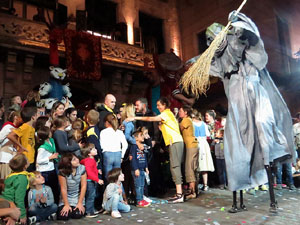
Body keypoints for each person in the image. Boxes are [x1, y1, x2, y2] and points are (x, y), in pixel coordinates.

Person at [127, 97, 185, 204]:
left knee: (175, 167)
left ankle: (179, 194)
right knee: (174, 167)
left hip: (175, 142)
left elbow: (150, 119)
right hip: (175, 142)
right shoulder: (168, 114)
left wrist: (134, 117)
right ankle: (179, 193)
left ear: (164, 105)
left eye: (159, 105)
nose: (157, 107)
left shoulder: (166, 114)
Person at [0, 154, 30, 225]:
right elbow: (19, 198)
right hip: (9, 204)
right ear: (25, 166)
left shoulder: (12, 174)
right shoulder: (22, 178)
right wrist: (22, 215)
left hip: (4, 201)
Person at [7, 107, 39, 172]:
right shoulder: (24, 127)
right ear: (33, 117)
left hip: (31, 157)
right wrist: (21, 146)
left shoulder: (31, 127)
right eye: (37, 114)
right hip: (26, 158)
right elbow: (10, 135)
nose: (39, 115)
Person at [57, 153, 87, 220]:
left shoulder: (82, 168)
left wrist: (80, 203)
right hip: (66, 198)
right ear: (68, 163)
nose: (77, 160)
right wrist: (66, 204)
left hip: (78, 197)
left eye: (76, 158)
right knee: (64, 216)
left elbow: (83, 186)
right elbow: (63, 189)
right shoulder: (62, 172)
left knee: (77, 214)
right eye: (74, 160)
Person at [178, 105, 199, 199]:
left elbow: (179, 129)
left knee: (189, 168)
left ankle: (192, 192)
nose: (179, 112)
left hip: (191, 146)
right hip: (193, 145)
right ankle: (195, 190)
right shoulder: (189, 120)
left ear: (185, 112)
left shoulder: (186, 120)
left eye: (181, 111)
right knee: (193, 168)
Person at [192, 109, 214, 191]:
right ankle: (205, 185)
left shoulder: (192, 124)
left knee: (196, 165)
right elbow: (208, 134)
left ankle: (196, 185)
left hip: (196, 143)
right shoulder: (204, 124)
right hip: (204, 144)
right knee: (204, 165)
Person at [100, 113, 128, 179]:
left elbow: (101, 145)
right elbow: (125, 144)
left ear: (107, 122)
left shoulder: (103, 132)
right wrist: (122, 156)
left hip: (107, 154)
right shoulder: (119, 132)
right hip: (118, 154)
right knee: (117, 176)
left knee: (108, 176)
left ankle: (110, 188)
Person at [36, 126, 59, 203]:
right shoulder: (42, 148)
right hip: (44, 171)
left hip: (51, 168)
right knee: (47, 189)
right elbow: (39, 160)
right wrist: (50, 157)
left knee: (54, 188)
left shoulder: (51, 142)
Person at [80, 143, 104, 218]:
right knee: (90, 196)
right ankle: (89, 212)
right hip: (89, 180)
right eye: (94, 149)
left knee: (92, 195)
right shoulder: (89, 161)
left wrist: (97, 171)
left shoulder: (91, 160)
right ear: (89, 153)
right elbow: (89, 172)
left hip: (91, 180)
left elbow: (92, 170)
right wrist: (97, 179)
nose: (96, 150)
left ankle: (91, 209)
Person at [130, 129, 150, 207]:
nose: (143, 137)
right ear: (136, 138)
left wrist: (146, 167)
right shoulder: (134, 147)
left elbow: (145, 157)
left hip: (142, 169)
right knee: (138, 186)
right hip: (137, 169)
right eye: (141, 135)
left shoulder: (143, 147)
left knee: (142, 185)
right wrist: (135, 169)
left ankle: (141, 199)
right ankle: (139, 201)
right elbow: (133, 159)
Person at [0, 111, 22, 179]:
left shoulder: (17, 128)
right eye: (20, 117)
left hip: (12, 156)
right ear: (16, 118)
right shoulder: (8, 127)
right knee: (6, 178)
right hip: (5, 157)